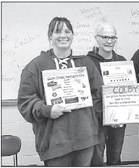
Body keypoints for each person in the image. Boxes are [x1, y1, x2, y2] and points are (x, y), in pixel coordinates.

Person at [17, 17, 103, 166]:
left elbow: (99, 95)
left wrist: (108, 117)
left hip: (85, 139)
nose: (63, 35)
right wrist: (47, 110)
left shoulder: (85, 63)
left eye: (67, 31)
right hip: (55, 143)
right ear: (50, 36)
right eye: (57, 31)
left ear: (72, 35)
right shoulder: (35, 66)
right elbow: (25, 101)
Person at [87, 22, 127, 166]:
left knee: (115, 157)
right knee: (96, 158)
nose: (109, 41)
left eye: (112, 37)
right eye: (104, 37)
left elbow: (129, 92)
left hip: (119, 119)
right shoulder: (88, 62)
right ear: (96, 38)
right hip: (96, 119)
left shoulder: (122, 62)